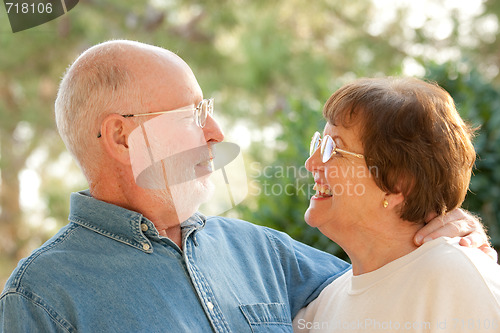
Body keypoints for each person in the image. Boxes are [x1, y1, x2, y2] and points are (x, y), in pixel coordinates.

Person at [0, 41, 491, 332]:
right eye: (195, 114)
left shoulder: (261, 252)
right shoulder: (40, 299)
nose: (216, 134)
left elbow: (383, 278)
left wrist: (449, 224)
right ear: (122, 136)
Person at [293, 77, 500, 333]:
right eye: (319, 144)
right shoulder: (319, 308)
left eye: (333, 149)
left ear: (398, 183)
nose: (311, 164)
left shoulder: (458, 280)